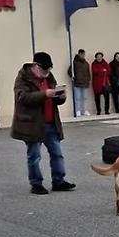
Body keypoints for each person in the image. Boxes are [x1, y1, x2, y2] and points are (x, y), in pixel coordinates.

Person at [11, 51, 76, 195]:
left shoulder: (49, 77)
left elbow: (54, 97)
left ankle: (58, 180)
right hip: (33, 124)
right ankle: (36, 184)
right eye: (44, 69)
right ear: (35, 66)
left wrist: (61, 97)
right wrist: (44, 94)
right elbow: (22, 98)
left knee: (57, 153)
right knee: (34, 156)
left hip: (51, 122)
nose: (47, 72)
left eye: (49, 69)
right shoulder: (23, 77)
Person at [71, 49, 91, 116]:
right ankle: (78, 111)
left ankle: (85, 110)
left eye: (84, 54)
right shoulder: (75, 62)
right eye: (81, 54)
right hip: (77, 83)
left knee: (85, 98)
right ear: (79, 54)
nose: (83, 55)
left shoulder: (86, 63)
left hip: (85, 83)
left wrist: (88, 79)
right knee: (78, 98)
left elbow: (88, 73)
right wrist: (73, 76)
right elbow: (70, 71)